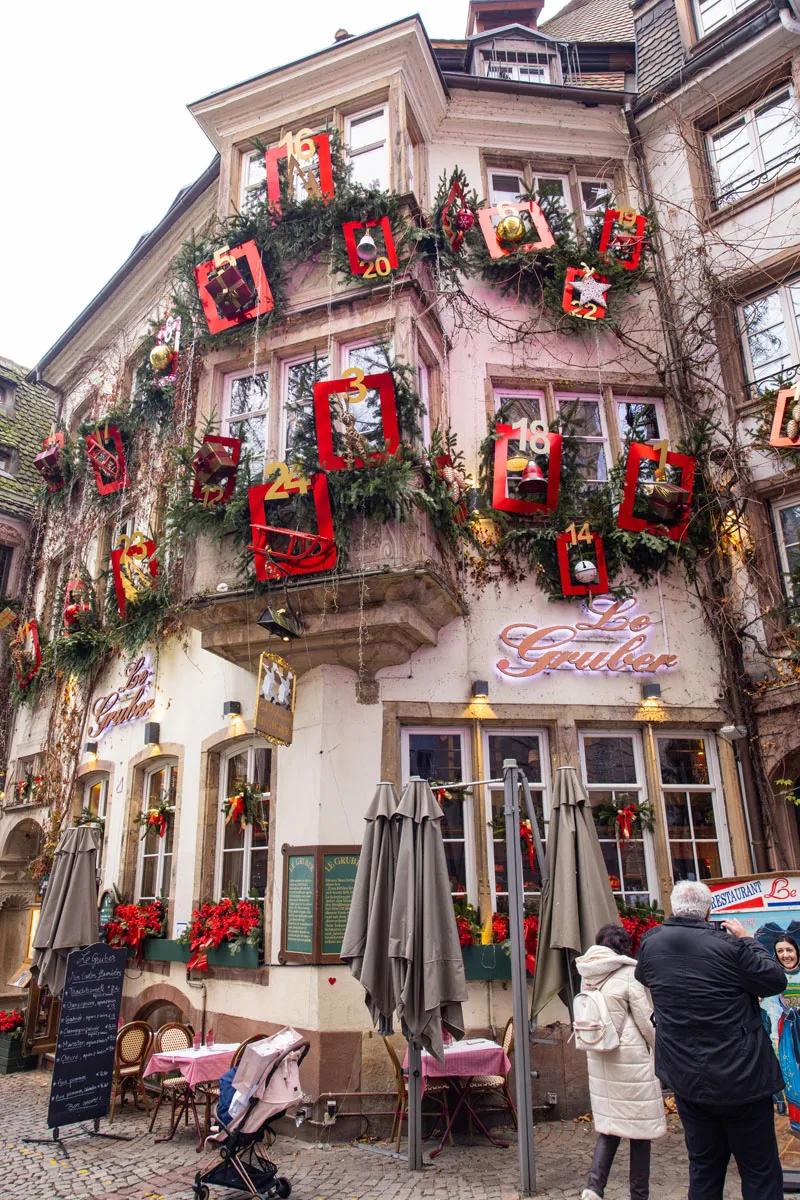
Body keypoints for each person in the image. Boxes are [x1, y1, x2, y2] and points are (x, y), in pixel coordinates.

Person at [635, 879, 787, 1199]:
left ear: (674, 908)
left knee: (704, 1167)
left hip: (687, 1076)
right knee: (759, 1169)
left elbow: (644, 976)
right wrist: (748, 939)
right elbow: (774, 980)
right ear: (708, 913)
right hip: (742, 1077)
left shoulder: (651, 943)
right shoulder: (731, 947)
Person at [577, 923, 665, 1200]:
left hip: (600, 1057)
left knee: (610, 1127)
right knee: (640, 1130)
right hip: (631, 1062)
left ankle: (594, 1188)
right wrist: (661, 1049)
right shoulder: (629, 974)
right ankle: (639, 1195)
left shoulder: (587, 973)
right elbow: (646, 1021)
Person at [760, 933, 800, 1128]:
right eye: (780, 951)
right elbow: (773, 1008)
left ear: (797, 951)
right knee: (792, 1074)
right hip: (789, 1032)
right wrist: (775, 1036)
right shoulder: (775, 977)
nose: (785, 955)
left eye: (789, 950)